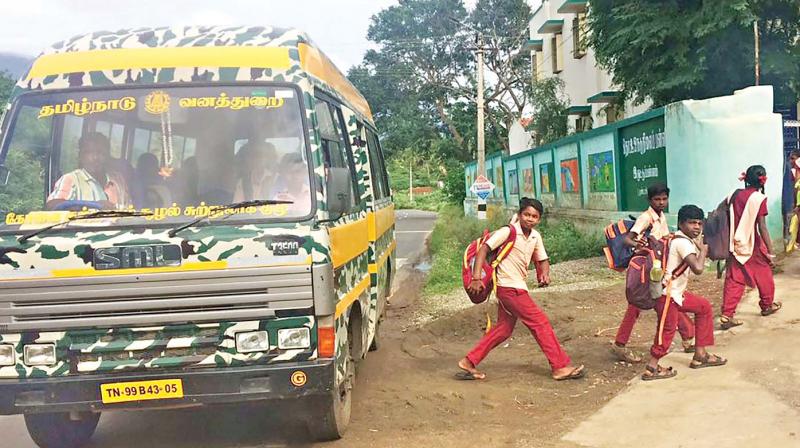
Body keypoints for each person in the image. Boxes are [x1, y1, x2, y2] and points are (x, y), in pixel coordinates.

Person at [458, 197, 585, 381]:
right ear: (519, 215)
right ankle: (559, 366)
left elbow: (543, 259)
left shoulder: (535, 236)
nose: (530, 219)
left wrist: (544, 274)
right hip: (508, 288)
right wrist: (477, 277)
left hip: (517, 286)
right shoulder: (508, 231)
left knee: (504, 329)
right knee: (540, 322)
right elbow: (483, 249)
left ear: (539, 219)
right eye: (526, 214)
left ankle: (469, 361)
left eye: (534, 216)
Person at [611, 182, 695, 363]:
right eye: (657, 199)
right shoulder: (646, 218)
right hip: (645, 267)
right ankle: (620, 344)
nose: (661, 202)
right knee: (651, 303)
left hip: (657, 265)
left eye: (664, 199)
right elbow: (628, 239)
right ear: (650, 200)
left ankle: (688, 338)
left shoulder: (660, 216)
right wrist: (641, 245)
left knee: (666, 300)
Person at [642, 204, 727, 380]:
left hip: (675, 294)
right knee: (666, 330)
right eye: (691, 223)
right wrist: (703, 251)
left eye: (699, 223)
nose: (696, 227)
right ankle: (651, 367)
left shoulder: (679, 238)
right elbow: (698, 268)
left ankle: (700, 355)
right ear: (681, 224)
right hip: (668, 296)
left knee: (703, 307)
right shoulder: (682, 243)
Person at [720, 165, 781, 329]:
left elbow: (724, 212)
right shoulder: (759, 198)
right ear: (762, 180)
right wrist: (771, 251)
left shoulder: (734, 194)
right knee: (764, 273)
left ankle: (727, 314)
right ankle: (767, 305)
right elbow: (762, 226)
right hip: (751, 242)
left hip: (733, 242)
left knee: (734, 278)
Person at [46, 132, 131, 210]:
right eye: (89, 152)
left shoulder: (118, 180)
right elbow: (52, 205)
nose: (95, 158)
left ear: (108, 156)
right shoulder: (71, 179)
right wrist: (92, 205)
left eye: (100, 153)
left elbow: (128, 209)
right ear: (80, 156)